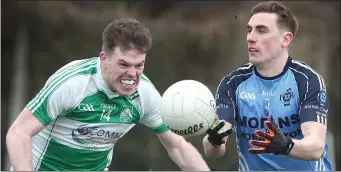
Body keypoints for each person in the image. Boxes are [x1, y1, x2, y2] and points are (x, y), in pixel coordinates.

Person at [6, 18, 210, 171]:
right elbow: (18, 133)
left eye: (139, 65)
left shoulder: (144, 94)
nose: (132, 74)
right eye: (124, 64)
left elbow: (177, 147)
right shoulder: (73, 83)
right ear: (104, 58)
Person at [203, 1, 332, 171]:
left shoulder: (308, 81)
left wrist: (285, 145)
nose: (250, 37)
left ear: (285, 39)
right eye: (249, 30)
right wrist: (213, 139)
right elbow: (213, 151)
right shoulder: (232, 84)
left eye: (261, 30)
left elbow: (316, 147)